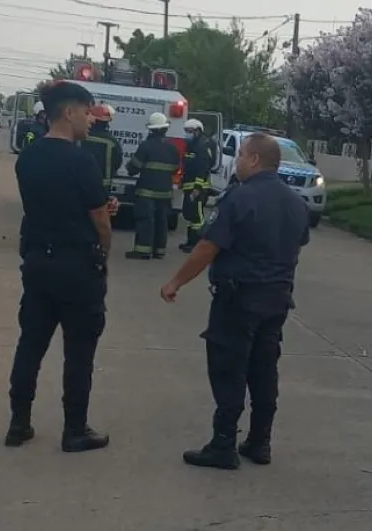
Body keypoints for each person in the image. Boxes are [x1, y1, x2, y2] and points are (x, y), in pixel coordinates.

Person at [160, 132, 311, 470]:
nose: (238, 160)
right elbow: (296, 246)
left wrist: (176, 281)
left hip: (239, 299)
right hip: (276, 300)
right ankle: (260, 441)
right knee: (263, 369)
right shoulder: (296, 203)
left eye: (242, 154)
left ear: (255, 159)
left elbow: (208, 247)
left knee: (229, 369)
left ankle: (223, 444)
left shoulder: (239, 199)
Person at [6, 81, 113, 453]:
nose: (89, 119)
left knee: (30, 344)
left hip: (37, 262)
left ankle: (18, 423)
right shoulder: (81, 159)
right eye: (86, 112)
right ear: (69, 113)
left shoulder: (28, 157)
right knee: (79, 351)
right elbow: (99, 218)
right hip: (76, 267)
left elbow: (49, 204)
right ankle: (75, 429)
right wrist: (104, 252)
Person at [125, 112, 181, 260]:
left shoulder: (146, 146)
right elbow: (176, 169)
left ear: (151, 129)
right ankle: (159, 251)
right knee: (162, 221)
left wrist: (129, 166)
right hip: (165, 193)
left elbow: (133, 168)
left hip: (146, 192)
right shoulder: (173, 148)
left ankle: (143, 251)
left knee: (145, 220)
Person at [178, 119, 215, 253]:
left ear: (198, 131)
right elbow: (188, 166)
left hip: (198, 188)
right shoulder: (192, 145)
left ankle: (196, 245)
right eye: (186, 132)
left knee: (198, 217)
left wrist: (197, 188)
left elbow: (203, 168)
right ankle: (190, 242)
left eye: (190, 132)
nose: (187, 134)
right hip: (190, 186)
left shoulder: (202, 146)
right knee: (190, 215)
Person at [79, 104, 122, 205]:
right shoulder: (112, 142)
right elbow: (117, 162)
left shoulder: (80, 137)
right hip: (102, 187)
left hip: (80, 185)